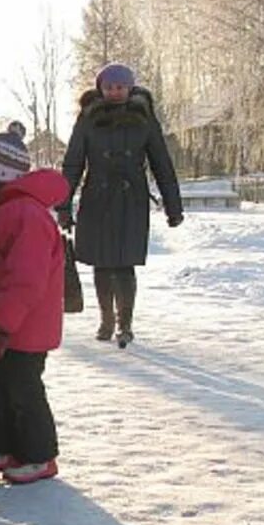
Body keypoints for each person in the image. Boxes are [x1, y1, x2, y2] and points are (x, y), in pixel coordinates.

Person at [0, 122, 70, 485]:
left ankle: (39, 455)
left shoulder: (23, 214)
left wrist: (4, 321)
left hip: (23, 325)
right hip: (2, 323)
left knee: (23, 390)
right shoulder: (0, 209)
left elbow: (26, 278)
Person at [57, 63, 183, 347]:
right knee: (101, 264)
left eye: (121, 87)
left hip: (131, 200)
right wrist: (63, 205)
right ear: (101, 89)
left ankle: (125, 324)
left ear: (130, 88)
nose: (115, 92)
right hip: (97, 200)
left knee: (125, 264)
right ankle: (106, 319)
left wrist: (173, 207)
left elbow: (162, 163)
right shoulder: (88, 118)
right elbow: (73, 163)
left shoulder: (144, 119)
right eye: (110, 87)